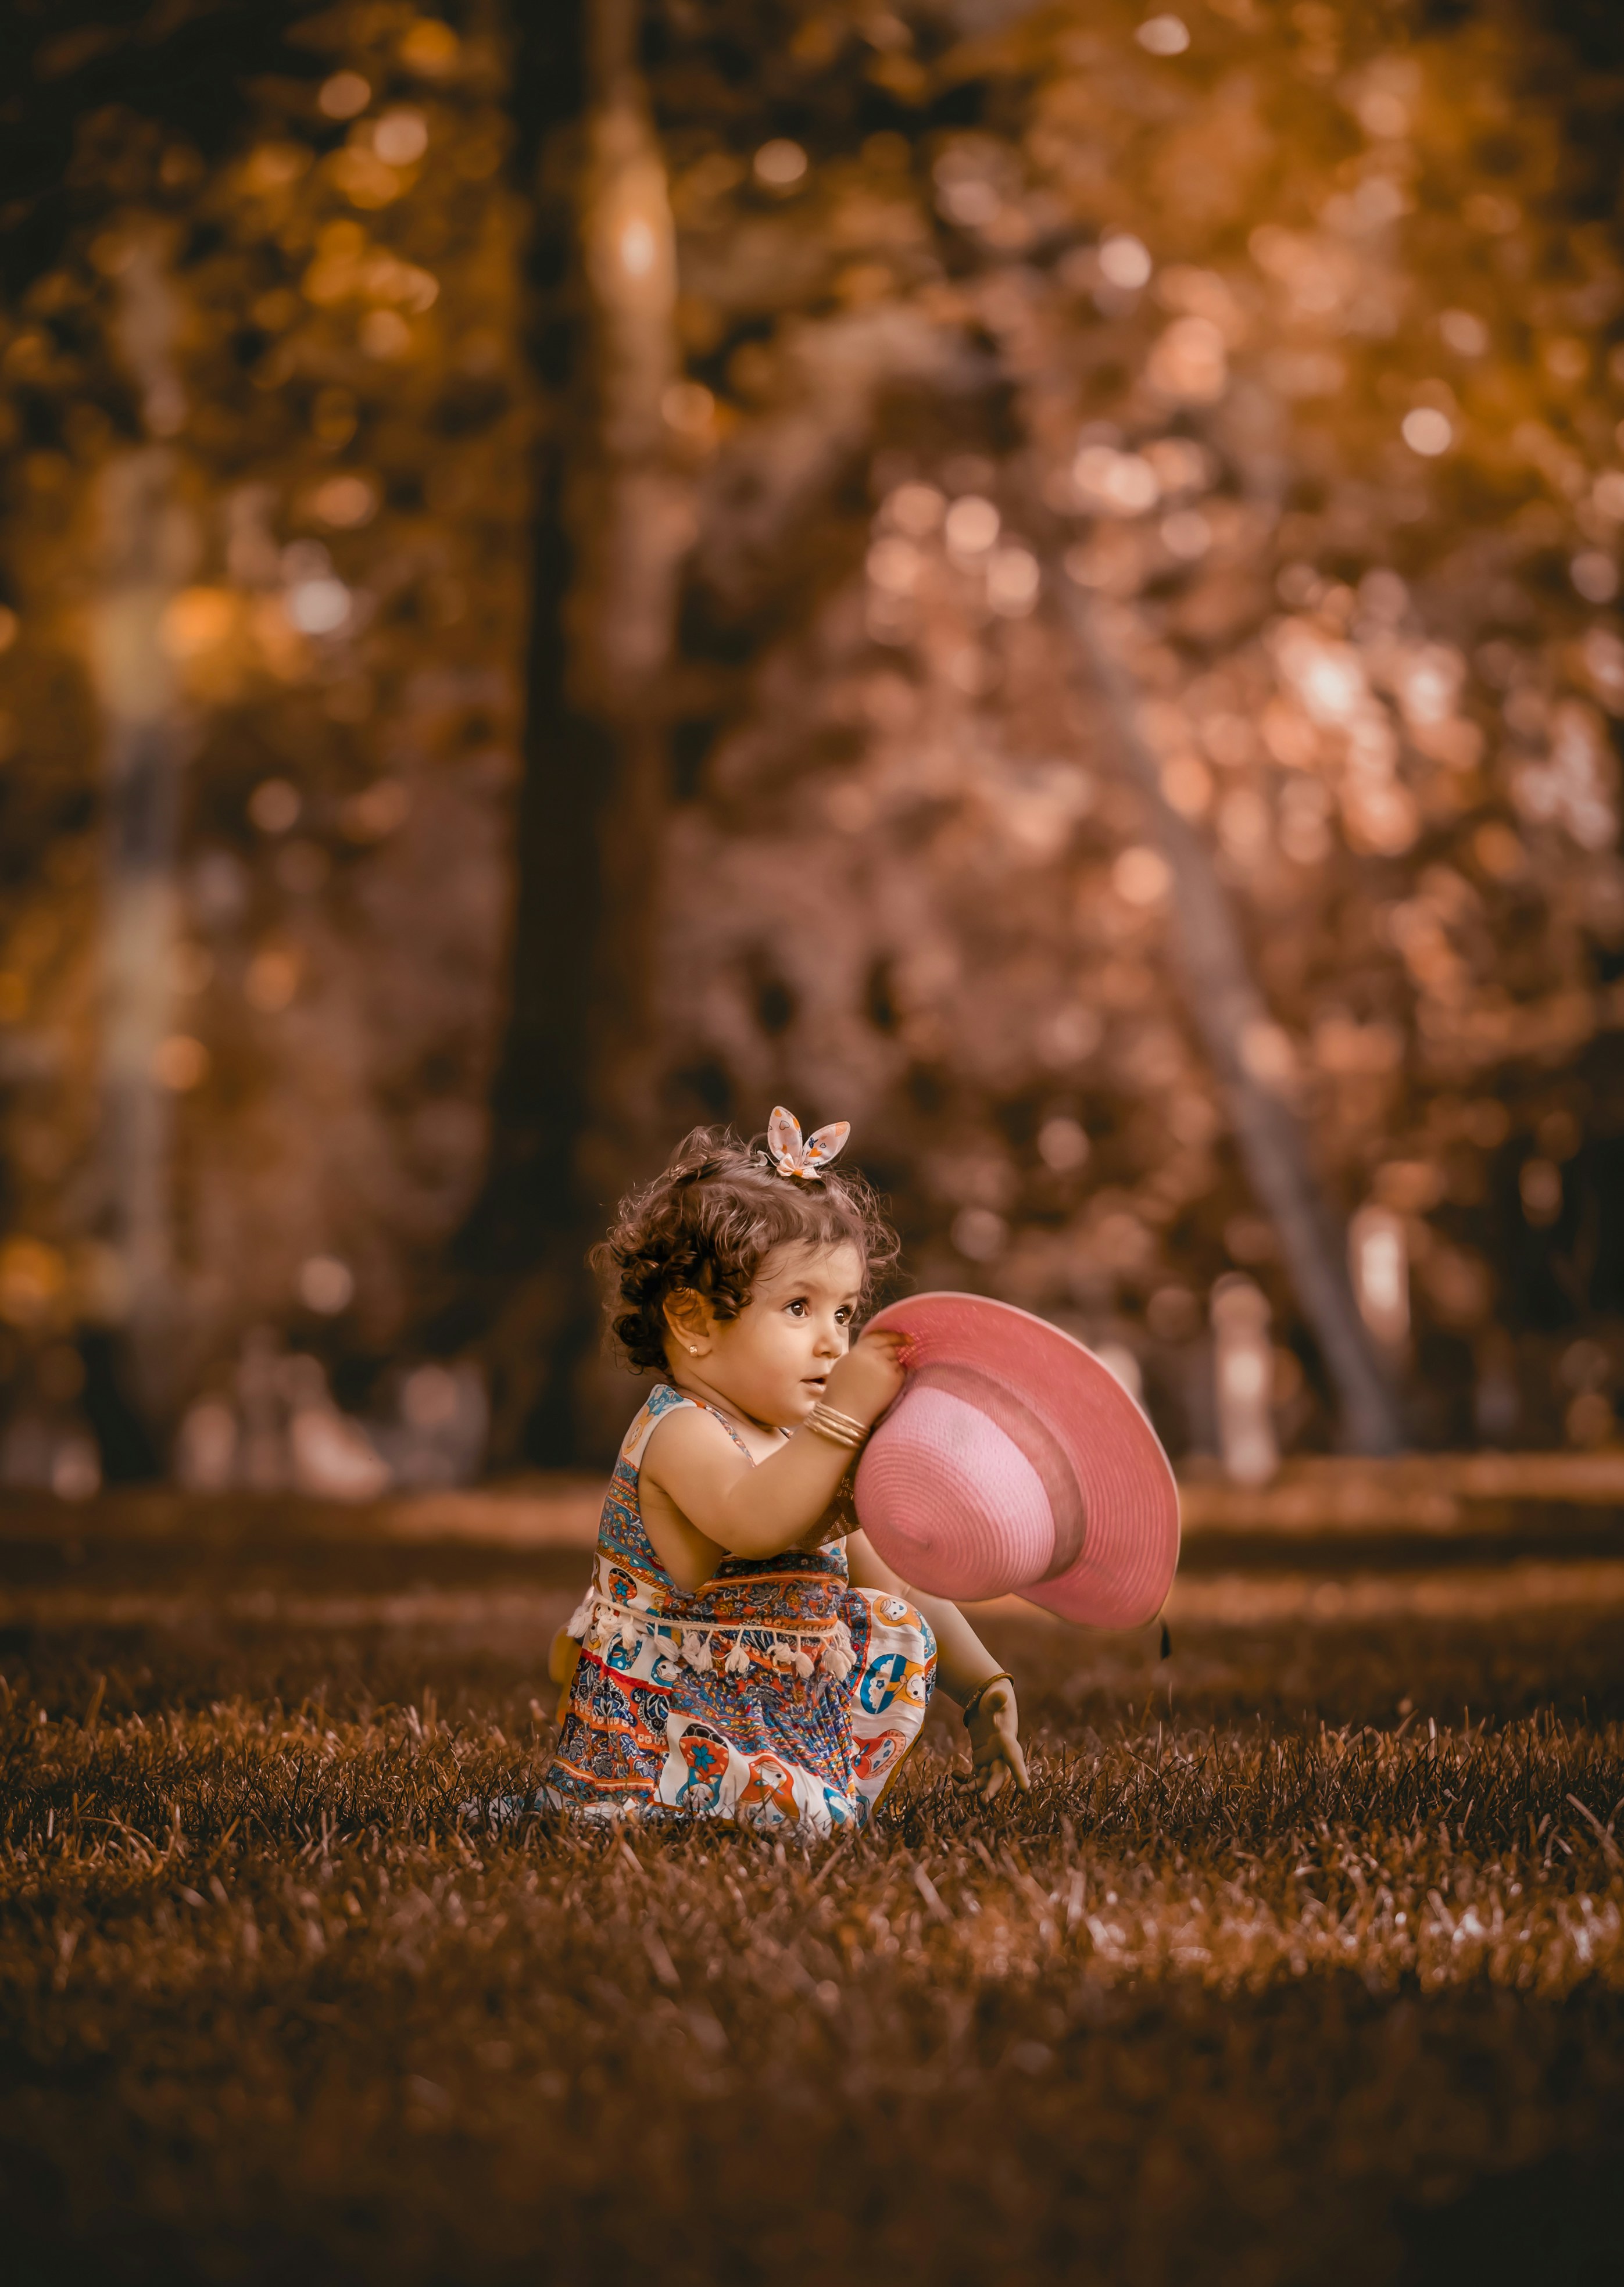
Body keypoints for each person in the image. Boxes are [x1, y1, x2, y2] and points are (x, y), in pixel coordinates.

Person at [542, 1110, 1029, 1832]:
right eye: (799, 1307)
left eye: (845, 1312)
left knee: (889, 1619)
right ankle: (739, 1801)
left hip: (769, 1723)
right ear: (694, 1322)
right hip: (663, 1737)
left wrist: (985, 1685)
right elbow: (756, 1522)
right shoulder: (680, 1431)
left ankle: (805, 1787)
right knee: (793, 1814)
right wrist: (842, 1421)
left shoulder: (806, 1444)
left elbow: (895, 1583)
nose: (833, 1341)